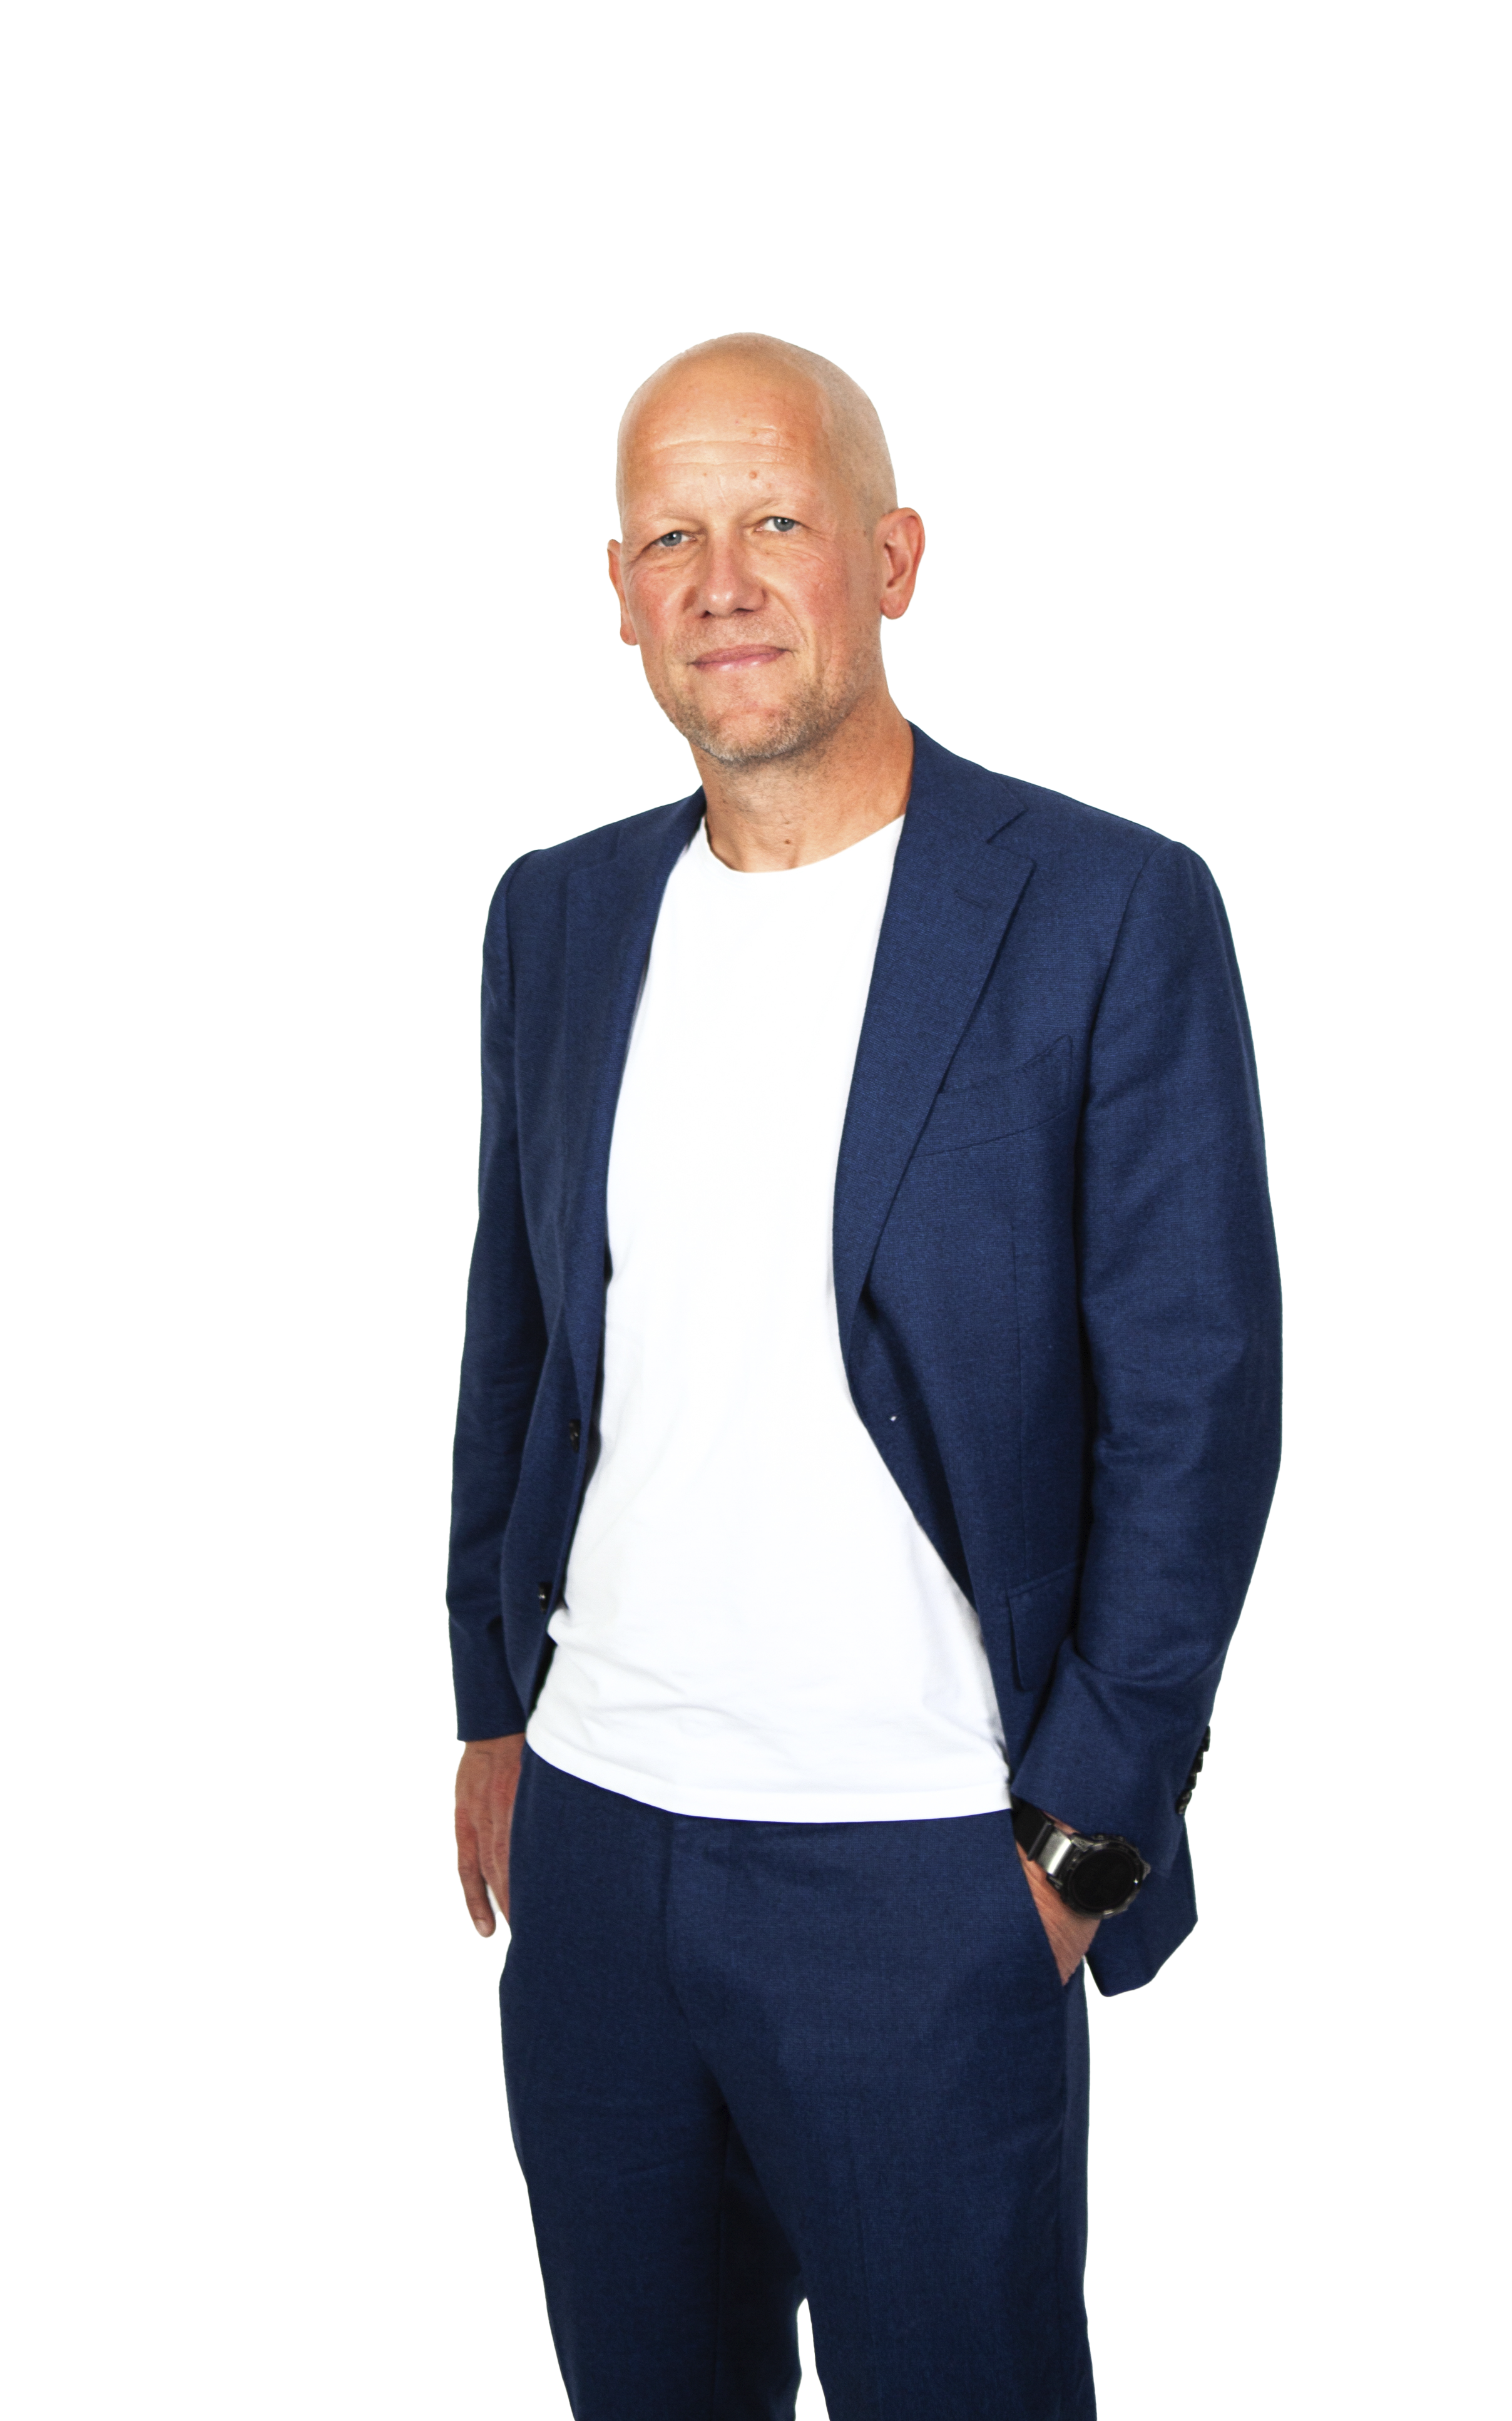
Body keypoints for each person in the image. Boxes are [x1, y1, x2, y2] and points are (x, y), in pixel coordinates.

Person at [448, 331, 1280, 2421]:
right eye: (672, 536)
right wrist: (489, 1701)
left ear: (890, 557)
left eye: (776, 521)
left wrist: (1085, 1842)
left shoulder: (1106, 910)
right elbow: (520, 1331)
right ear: (619, 589)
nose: (722, 580)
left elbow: (1197, 1404)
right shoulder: (556, 919)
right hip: (602, 1857)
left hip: (922, 1870)